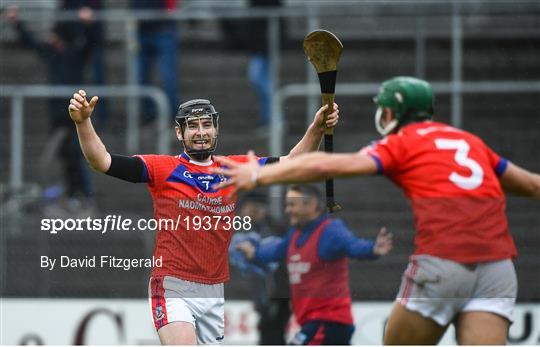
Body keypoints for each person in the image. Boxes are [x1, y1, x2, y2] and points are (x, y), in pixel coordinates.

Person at [212, 76, 540, 345]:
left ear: (389, 113)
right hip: (498, 269)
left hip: (444, 262)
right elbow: (532, 186)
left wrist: (258, 174)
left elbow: (334, 164)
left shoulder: (402, 142)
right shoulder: (470, 141)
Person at [67, 90, 339, 344]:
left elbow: (292, 163)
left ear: (216, 129)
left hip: (213, 289)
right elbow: (101, 161)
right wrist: (83, 124)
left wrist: (315, 128)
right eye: (193, 126)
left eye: (206, 125)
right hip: (172, 285)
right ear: (179, 132)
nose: (201, 132)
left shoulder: (236, 168)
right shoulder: (162, 168)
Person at [235, 184, 393, 345]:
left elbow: (353, 245)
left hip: (329, 323)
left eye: (292, 205)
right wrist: (253, 254)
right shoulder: (295, 235)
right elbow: (275, 251)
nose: (288, 210)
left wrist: (373, 249)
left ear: (310, 205)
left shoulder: (330, 231)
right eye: (287, 205)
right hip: (315, 324)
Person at [6, 7, 96, 210]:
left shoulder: (75, 54)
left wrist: (88, 24)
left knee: (77, 154)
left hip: (76, 116)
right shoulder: (52, 53)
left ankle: (84, 194)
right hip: (58, 113)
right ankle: (74, 192)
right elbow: (30, 42)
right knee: (65, 154)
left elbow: (91, 41)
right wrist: (17, 23)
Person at [229, 193, 290, 345]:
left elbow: (273, 269)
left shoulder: (270, 230)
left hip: (275, 297)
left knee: (271, 334)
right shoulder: (258, 229)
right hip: (267, 298)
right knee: (271, 333)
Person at [131, 0, 179, 122]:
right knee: (141, 77)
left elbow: (171, 6)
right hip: (144, 29)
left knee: (167, 76)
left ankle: (171, 114)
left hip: (162, 28)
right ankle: (149, 113)